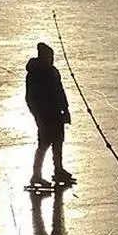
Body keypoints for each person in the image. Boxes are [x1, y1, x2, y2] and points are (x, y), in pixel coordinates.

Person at [26, 42, 76, 188]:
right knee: (44, 145)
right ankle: (36, 176)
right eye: (49, 56)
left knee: (58, 141)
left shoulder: (53, 72)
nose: (51, 59)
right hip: (44, 116)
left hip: (56, 113)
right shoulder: (34, 74)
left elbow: (60, 92)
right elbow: (30, 98)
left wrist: (65, 109)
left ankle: (58, 170)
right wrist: (38, 115)